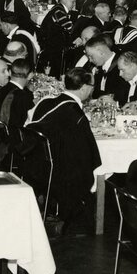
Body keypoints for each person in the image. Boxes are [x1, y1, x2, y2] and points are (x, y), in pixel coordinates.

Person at [28, 68, 100, 231]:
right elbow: (87, 154)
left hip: (40, 164)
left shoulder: (46, 101)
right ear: (85, 88)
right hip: (61, 171)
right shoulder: (75, 113)